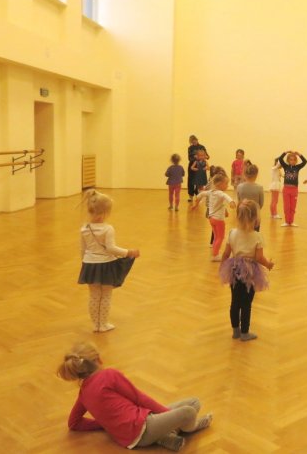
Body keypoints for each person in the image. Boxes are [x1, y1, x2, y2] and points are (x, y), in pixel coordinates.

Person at [57, 342, 212, 451]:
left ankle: (165, 436)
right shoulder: (109, 375)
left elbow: (73, 423)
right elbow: (140, 398)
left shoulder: (83, 393)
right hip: (144, 427)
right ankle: (191, 428)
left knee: (193, 402)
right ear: (98, 359)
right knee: (189, 411)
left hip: (134, 434)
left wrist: (105, 424)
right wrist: (168, 415)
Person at [78, 190, 140, 332]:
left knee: (94, 296)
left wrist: (86, 262)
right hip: (106, 265)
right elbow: (111, 249)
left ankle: (95, 324)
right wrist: (129, 252)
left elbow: (82, 250)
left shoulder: (84, 229)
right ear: (104, 213)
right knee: (106, 295)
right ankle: (103, 324)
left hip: (89, 265)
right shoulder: (108, 229)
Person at [219, 200, 274, 340]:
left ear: (238, 216)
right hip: (250, 272)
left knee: (235, 301)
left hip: (234, 269)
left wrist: (222, 266)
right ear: (255, 218)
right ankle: (245, 333)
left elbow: (226, 254)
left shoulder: (232, 233)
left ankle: (235, 331)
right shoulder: (257, 236)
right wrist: (268, 264)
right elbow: (259, 257)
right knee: (246, 303)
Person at [192, 173, 236, 261]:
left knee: (216, 236)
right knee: (220, 237)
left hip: (211, 219)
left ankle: (215, 252)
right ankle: (215, 255)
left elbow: (200, 195)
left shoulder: (210, 192)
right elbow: (227, 198)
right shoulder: (220, 193)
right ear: (220, 184)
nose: (227, 186)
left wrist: (196, 204)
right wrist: (232, 203)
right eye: (226, 184)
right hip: (219, 220)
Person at [278, 150, 307, 227]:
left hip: (294, 189)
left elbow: (305, 161)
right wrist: (285, 152)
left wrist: (299, 154)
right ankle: (287, 222)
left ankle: (291, 221)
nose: (292, 161)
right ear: (288, 160)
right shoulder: (285, 166)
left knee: (293, 207)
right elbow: (280, 159)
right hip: (286, 189)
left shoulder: (297, 167)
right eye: (291, 159)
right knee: (287, 206)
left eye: (294, 160)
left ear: (296, 161)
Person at [236, 163, 264, 231]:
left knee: (243, 232)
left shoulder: (239, 187)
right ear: (256, 175)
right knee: (255, 233)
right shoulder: (259, 188)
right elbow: (261, 204)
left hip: (242, 215)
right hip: (255, 216)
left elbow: (239, 201)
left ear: (244, 174)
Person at [186, 135, 209, 203]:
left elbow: (207, 156)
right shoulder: (190, 148)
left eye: (195, 141)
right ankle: (190, 196)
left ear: (197, 140)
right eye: (192, 142)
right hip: (193, 165)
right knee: (191, 181)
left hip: (201, 167)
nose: (194, 143)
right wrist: (196, 157)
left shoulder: (202, 147)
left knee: (199, 182)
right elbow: (189, 158)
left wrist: (203, 157)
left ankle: (198, 196)